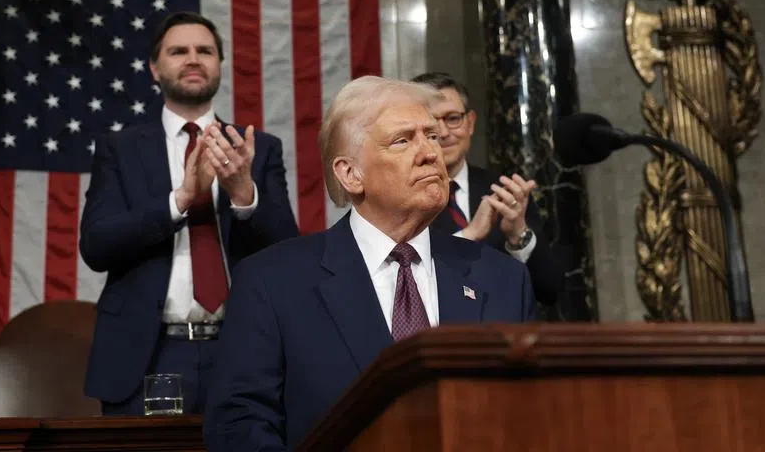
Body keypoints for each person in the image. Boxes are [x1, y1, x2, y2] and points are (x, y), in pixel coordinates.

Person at [204, 76, 534, 451]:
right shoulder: (272, 282)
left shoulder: (503, 278)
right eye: (403, 140)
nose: (430, 153)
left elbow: (531, 417)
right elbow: (239, 425)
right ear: (350, 174)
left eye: (432, 137)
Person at [79, 11, 299, 416]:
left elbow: (288, 250)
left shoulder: (257, 148)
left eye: (206, 51)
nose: (194, 59)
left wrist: (243, 193)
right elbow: (96, 245)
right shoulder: (120, 149)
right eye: (179, 51)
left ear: (219, 65)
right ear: (154, 68)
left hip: (242, 347)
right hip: (150, 352)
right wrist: (179, 199)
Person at [411, 72, 564, 306]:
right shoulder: (398, 199)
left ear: (470, 123)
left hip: (506, 337)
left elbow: (550, 291)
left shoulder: (505, 190)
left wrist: (518, 237)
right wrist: (469, 235)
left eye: (453, 118)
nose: (443, 133)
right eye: (431, 123)